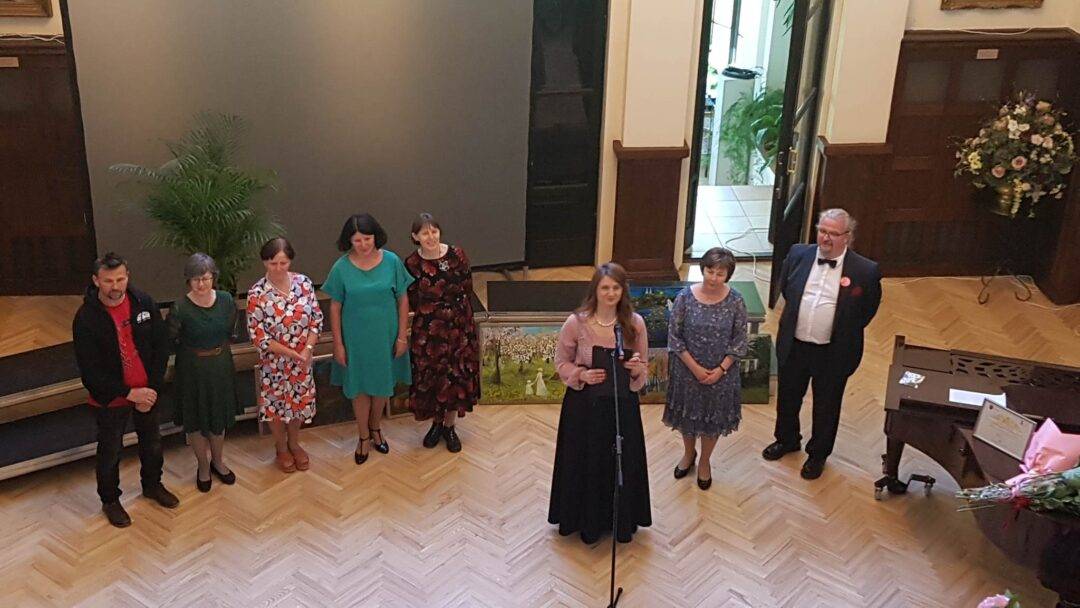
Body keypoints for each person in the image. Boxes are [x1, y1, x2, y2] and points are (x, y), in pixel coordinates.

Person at [762, 208, 882, 479]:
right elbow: (787, 289)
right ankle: (787, 440)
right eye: (822, 231)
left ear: (847, 237)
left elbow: (866, 311)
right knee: (788, 397)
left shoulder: (866, 271)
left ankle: (818, 455)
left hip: (833, 351)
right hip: (795, 344)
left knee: (827, 406)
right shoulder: (798, 254)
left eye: (833, 233)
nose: (826, 238)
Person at [72, 252, 179, 528]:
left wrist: (150, 389)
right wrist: (129, 393)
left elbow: (160, 346)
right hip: (111, 400)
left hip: (147, 393)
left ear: (128, 277)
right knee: (110, 451)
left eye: (120, 279)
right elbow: (90, 372)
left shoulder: (144, 302)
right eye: (108, 281)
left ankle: (152, 485)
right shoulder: (85, 319)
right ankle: (110, 500)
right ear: (96, 280)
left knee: (152, 443)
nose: (115, 286)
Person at [548, 262, 651, 544]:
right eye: (605, 288)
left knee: (619, 461)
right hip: (584, 406)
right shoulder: (576, 323)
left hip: (620, 405)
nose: (610, 293)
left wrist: (636, 369)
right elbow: (561, 362)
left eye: (616, 288)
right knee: (584, 460)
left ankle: (619, 520)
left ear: (623, 290)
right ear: (595, 290)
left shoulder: (635, 323)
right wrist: (582, 374)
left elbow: (643, 365)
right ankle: (583, 520)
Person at [324, 213, 414, 464]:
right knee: (359, 388)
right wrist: (338, 344)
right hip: (355, 340)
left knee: (383, 385)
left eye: (367, 238)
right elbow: (335, 308)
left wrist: (402, 336)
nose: (363, 245)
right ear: (348, 241)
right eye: (357, 240)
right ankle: (363, 435)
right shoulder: (341, 267)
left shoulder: (392, 261)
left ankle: (376, 427)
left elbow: (403, 299)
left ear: (376, 236)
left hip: (386, 337)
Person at [662, 247, 748, 490]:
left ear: (728, 275)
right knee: (687, 416)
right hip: (687, 371)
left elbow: (740, 340)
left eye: (720, 274)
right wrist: (695, 368)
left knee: (713, 418)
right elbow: (675, 337)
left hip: (722, 374)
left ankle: (705, 461)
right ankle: (689, 454)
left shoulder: (736, 300)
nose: (713, 277)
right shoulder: (684, 297)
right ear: (703, 269)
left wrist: (721, 369)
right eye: (710, 271)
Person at [404, 213, 480, 453]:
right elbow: (412, 297)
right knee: (433, 375)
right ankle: (436, 424)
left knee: (455, 375)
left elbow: (467, 287)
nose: (431, 237)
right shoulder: (412, 263)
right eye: (425, 233)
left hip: (459, 325)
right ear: (415, 236)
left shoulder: (457, 254)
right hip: (429, 330)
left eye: (434, 231)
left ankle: (449, 426)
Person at [247, 238, 324, 473]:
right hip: (275, 363)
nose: (278, 268)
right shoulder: (257, 293)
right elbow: (258, 335)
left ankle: (294, 443)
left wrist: (307, 350)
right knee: (277, 407)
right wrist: (291, 353)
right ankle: (281, 447)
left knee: (299, 403)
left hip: (302, 360)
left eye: (283, 263)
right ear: (264, 262)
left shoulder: (304, 283)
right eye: (273, 263)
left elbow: (316, 320)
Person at [168, 253, 239, 492]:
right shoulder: (180, 307)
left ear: (213, 278)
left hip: (220, 366)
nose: (201, 284)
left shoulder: (226, 300)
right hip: (192, 369)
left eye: (206, 278)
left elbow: (231, 330)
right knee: (196, 419)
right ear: (188, 280)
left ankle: (218, 461)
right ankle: (203, 466)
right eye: (196, 279)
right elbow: (171, 339)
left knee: (218, 417)